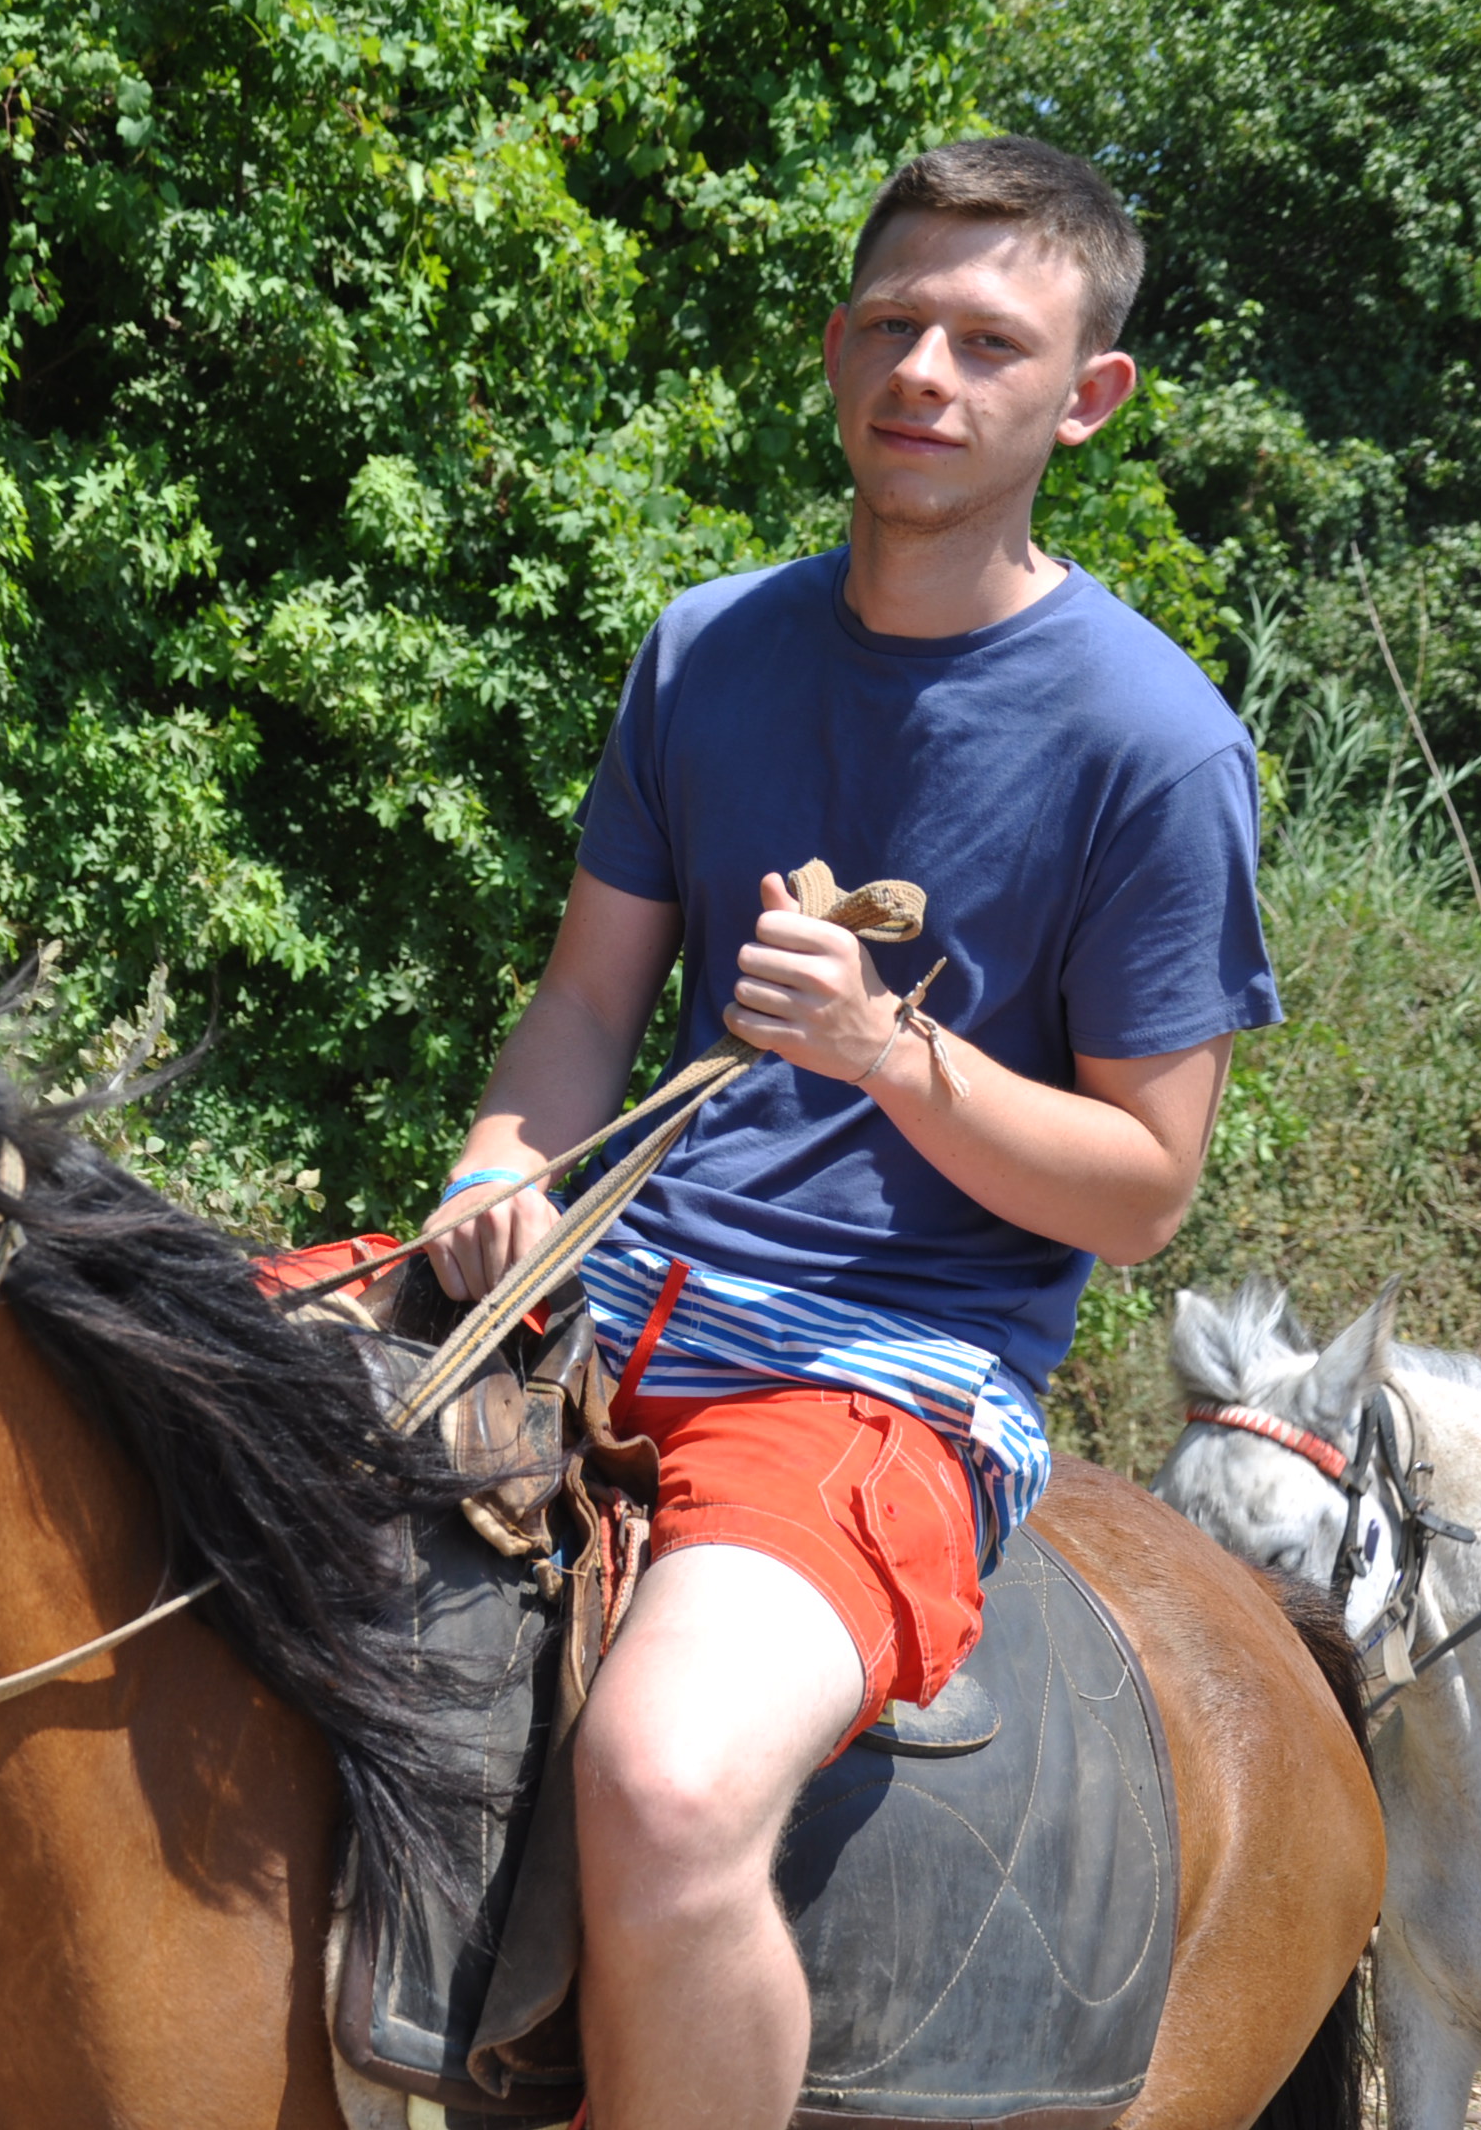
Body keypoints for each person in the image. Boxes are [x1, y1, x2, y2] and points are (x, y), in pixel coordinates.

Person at [421, 136, 1275, 2130]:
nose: (927, 372)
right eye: (895, 325)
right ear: (834, 350)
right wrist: (492, 1165)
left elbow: (1146, 1190)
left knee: (667, 1777)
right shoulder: (710, 647)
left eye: (991, 341)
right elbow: (581, 1005)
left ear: (1088, 398)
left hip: (888, 1371)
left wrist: (898, 1061)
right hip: (596, 1287)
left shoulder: (1156, 747)